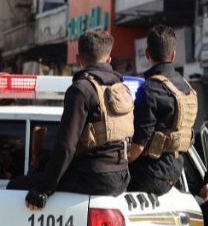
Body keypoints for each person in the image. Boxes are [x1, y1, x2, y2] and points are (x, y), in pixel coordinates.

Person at [17, 30, 133, 210]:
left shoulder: (81, 90)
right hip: (121, 176)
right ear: (109, 59)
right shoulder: (122, 89)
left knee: (16, 186)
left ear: (79, 59)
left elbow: (66, 146)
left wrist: (44, 190)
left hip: (94, 177)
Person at [128, 25, 197, 196]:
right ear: (173, 55)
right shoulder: (188, 90)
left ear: (147, 54)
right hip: (176, 174)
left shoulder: (149, 89)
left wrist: (117, 163)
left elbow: (138, 146)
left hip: (149, 176)